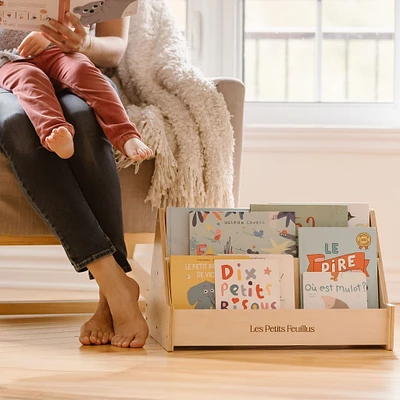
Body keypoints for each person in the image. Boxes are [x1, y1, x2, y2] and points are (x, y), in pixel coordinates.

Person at [0, 13, 150, 348]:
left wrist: (81, 42)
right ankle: (115, 283)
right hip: (6, 73)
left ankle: (107, 301)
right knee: (18, 130)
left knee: (84, 120)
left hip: (70, 61)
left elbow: (114, 48)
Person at [0, 15, 152, 162]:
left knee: (82, 70)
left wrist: (50, 35)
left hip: (58, 50)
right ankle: (54, 131)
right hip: (8, 59)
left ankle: (126, 135)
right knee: (29, 78)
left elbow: (80, 17)